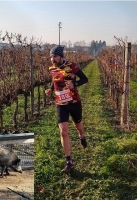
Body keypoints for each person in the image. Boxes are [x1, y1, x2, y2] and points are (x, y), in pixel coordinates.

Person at [45, 45, 89, 173]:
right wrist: (51, 89)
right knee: (63, 132)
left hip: (74, 102)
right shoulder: (52, 68)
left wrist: (74, 84)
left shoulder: (72, 66)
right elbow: (55, 80)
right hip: (60, 104)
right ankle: (69, 161)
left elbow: (85, 79)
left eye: (55, 56)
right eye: (51, 57)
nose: (52, 59)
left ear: (61, 56)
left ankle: (81, 135)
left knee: (78, 125)